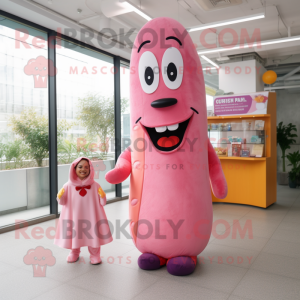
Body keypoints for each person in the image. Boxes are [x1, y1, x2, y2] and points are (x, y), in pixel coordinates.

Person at [54, 157, 112, 264]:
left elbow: (102, 203)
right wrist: (59, 196)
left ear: (90, 169)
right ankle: (74, 252)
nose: (83, 169)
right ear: (74, 169)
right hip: (74, 216)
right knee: (75, 233)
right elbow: (62, 202)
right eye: (80, 167)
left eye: (86, 167)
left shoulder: (95, 186)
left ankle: (95, 254)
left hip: (91, 216)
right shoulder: (67, 186)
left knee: (92, 233)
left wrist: (102, 196)